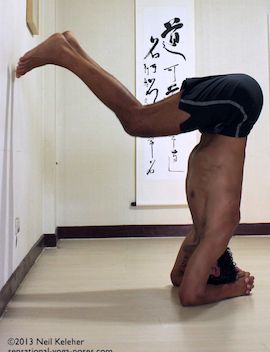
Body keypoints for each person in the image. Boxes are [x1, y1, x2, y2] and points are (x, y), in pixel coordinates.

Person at [16, 32, 263, 306]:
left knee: (137, 118)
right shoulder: (217, 232)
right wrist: (234, 289)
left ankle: (71, 47)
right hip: (238, 103)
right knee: (136, 120)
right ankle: (63, 54)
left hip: (234, 107)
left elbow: (177, 278)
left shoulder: (203, 234)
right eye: (202, 270)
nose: (189, 266)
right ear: (213, 269)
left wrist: (228, 275)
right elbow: (189, 296)